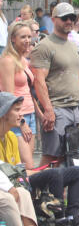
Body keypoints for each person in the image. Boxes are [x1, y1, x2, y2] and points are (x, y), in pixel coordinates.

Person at [0, 92, 79, 226]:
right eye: (16, 110)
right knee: (53, 174)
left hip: (19, 178)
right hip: (10, 184)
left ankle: (73, 219)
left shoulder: (12, 137)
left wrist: (40, 172)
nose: (21, 114)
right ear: (4, 113)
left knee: (77, 172)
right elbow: (13, 175)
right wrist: (42, 173)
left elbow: (18, 169)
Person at [30, 2, 79, 166]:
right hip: (57, 108)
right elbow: (39, 80)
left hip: (73, 108)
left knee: (71, 156)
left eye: (72, 17)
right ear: (54, 19)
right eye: (65, 18)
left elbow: (78, 77)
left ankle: (60, 192)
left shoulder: (72, 45)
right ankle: (35, 190)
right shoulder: (45, 46)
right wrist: (48, 110)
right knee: (52, 157)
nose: (69, 21)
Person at [0, 21, 43, 168]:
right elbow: (8, 97)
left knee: (26, 165)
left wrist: (39, 114)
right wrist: (22, 122)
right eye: (23, 37)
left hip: (29, 114)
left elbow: (29, 91)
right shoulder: (7, 61)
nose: (27, 41)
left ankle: (27, 191)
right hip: (17, 119)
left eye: (29, 37)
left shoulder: (23, 60)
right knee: (28, 166)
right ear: (13, 38)